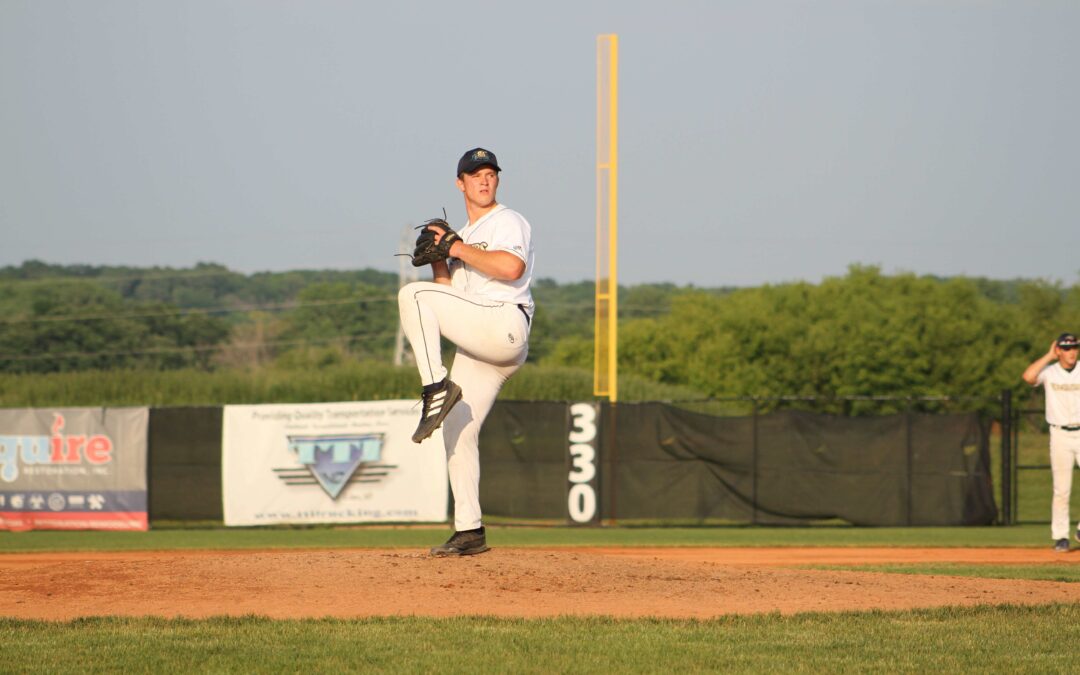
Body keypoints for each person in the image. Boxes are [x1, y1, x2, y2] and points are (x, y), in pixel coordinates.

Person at [397, 147, 534, 557]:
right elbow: (447, 302)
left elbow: (511, 269)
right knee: (457, 428)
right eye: (476, 175)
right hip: (479, 341)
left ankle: (435, 387)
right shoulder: (460, 235)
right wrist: (440, 263)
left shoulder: (507, 220)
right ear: (460, 183)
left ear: (497, 180)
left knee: (410, 295)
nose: (484, 180)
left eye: (490, 173)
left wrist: (455, 248)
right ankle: (469, 530)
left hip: (504, 324)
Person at [1022, 332, 1080, 552]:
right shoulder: (1050, 372)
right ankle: (1061, 537)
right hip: (1060, 434)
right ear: (1058, 351)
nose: (1071, 352)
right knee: (1061, 489)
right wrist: (1048, 355)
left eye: (1074, 347)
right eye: (1065, 348)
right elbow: (1028, 377)